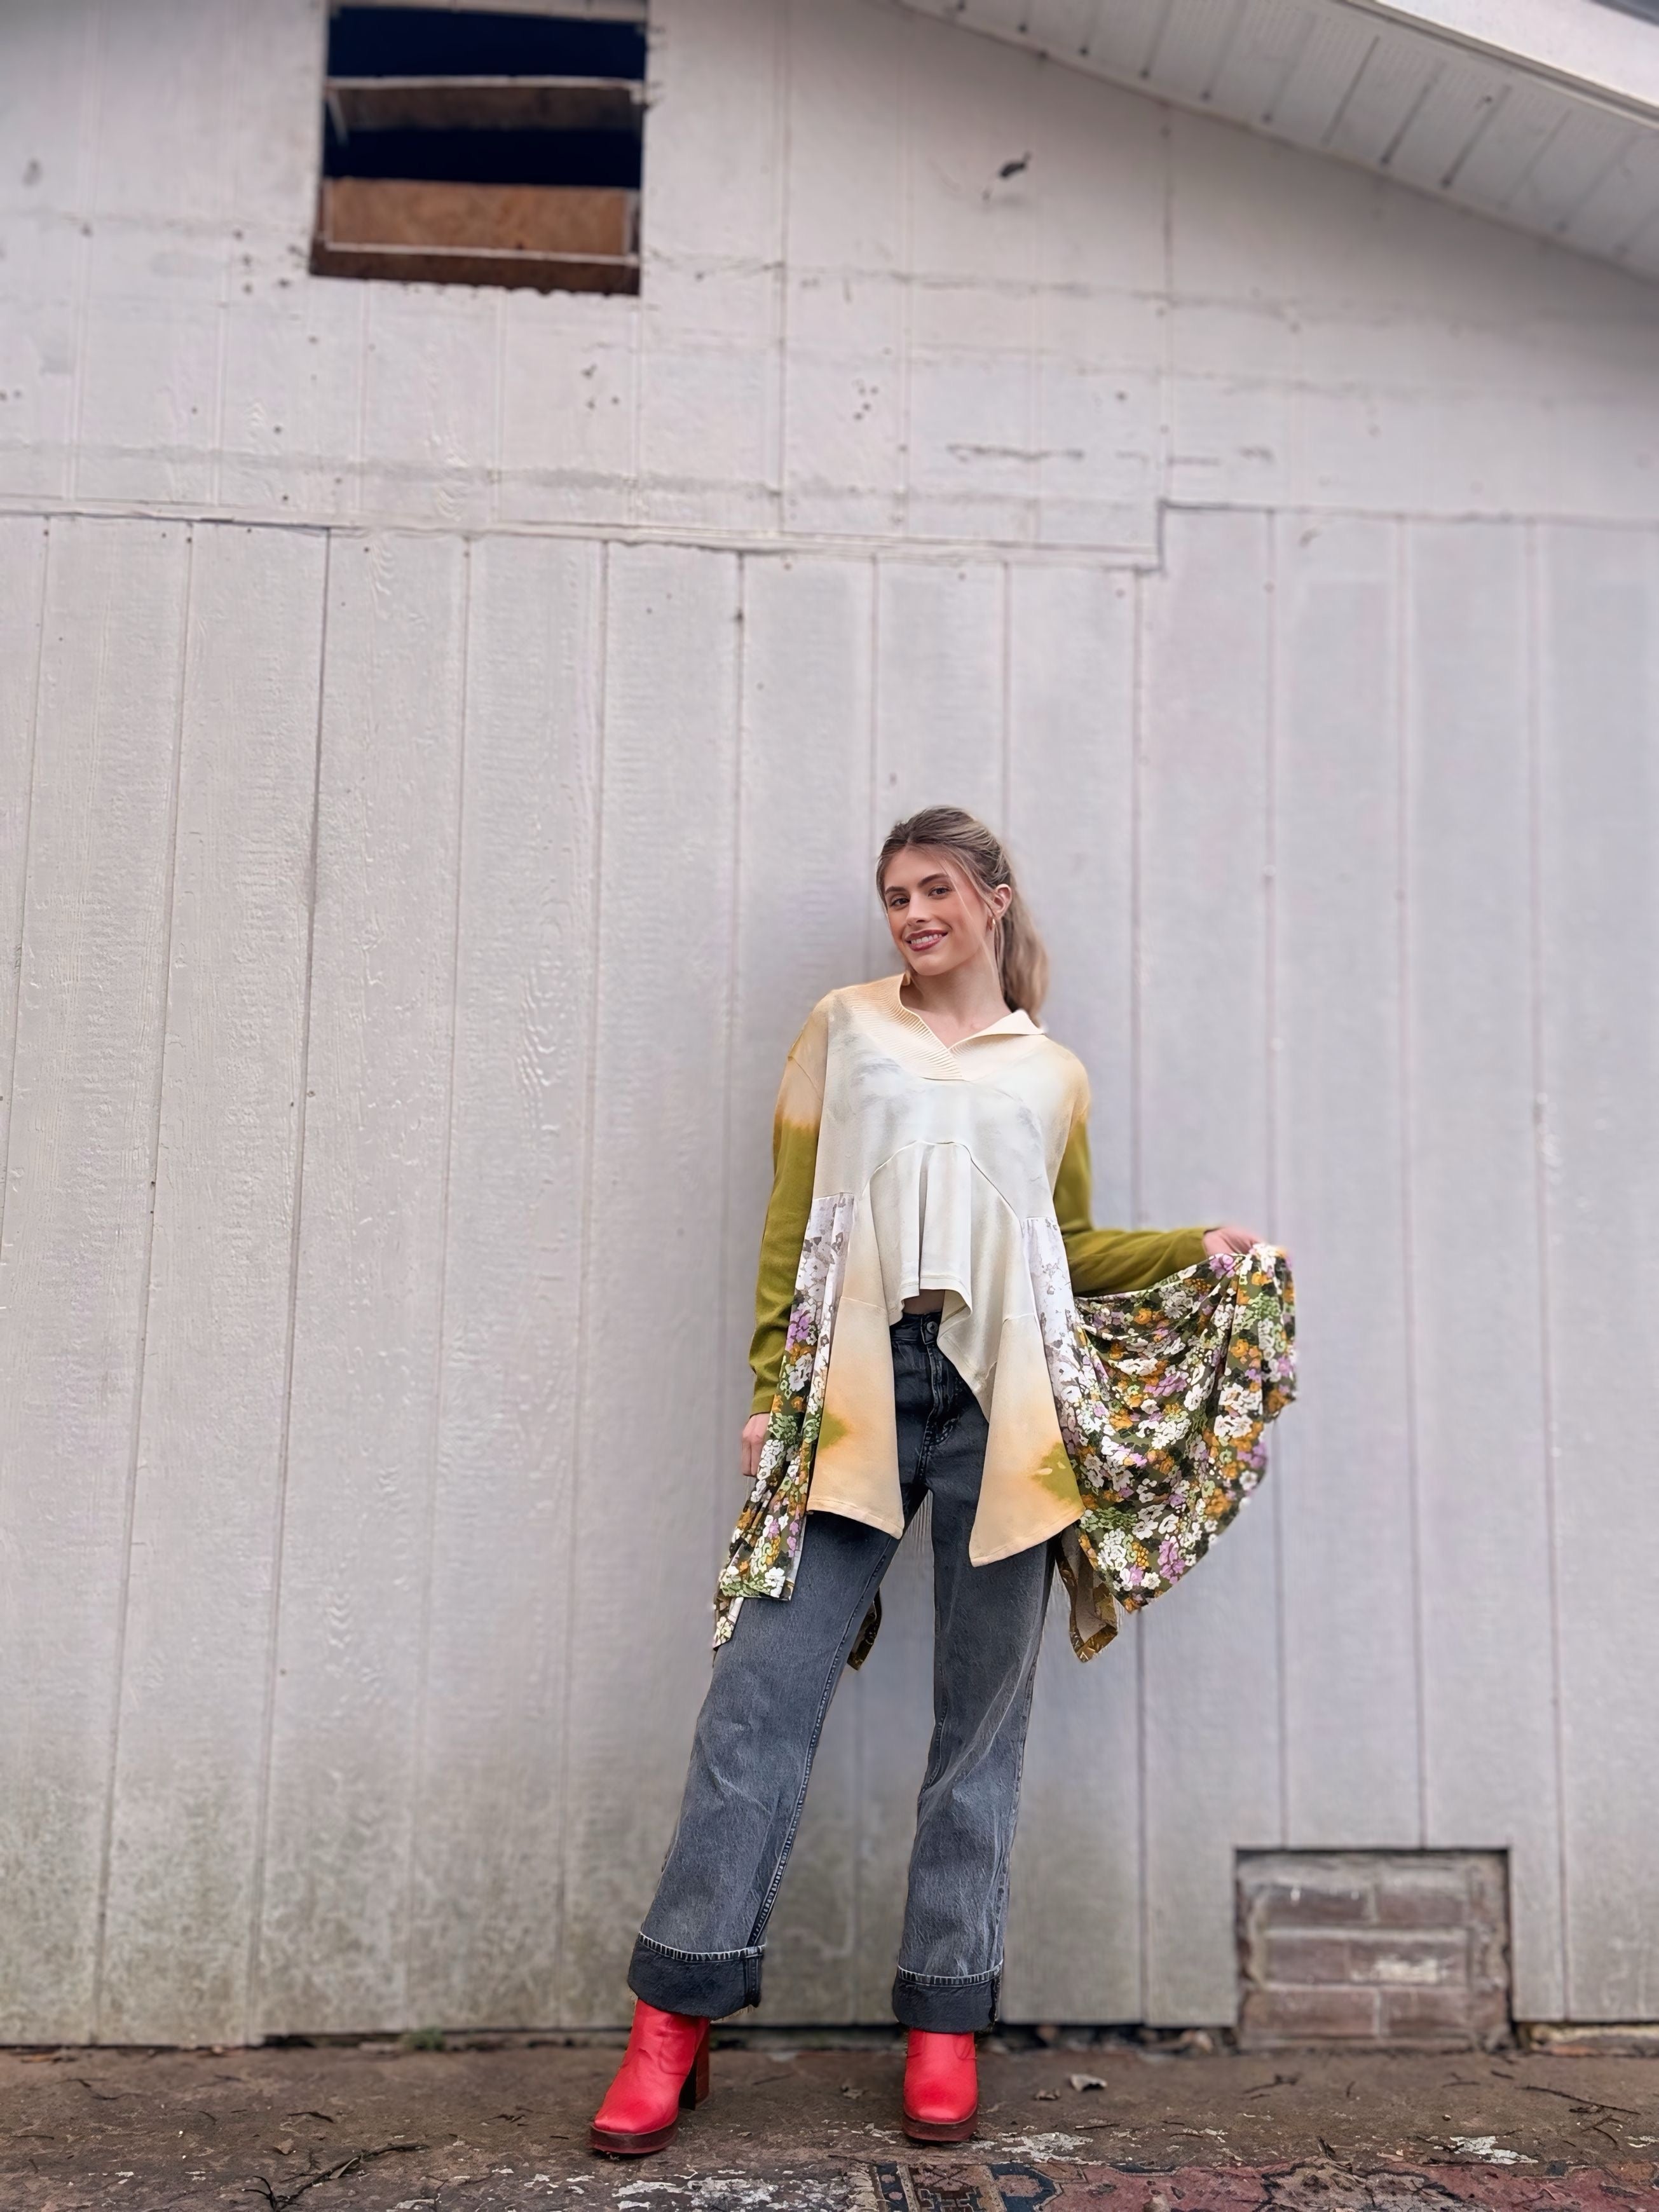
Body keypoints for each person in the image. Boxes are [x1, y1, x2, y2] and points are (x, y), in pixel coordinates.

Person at [590, 806, 1272, 2157]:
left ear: (993, 900)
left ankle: (946, 2023)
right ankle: (672, 2019)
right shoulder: (843, 1029)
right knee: (757, 1697)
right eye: (896, 894)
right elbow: (793, 1221)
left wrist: (1191, 1247)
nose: (913, 914)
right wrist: (770, 1392)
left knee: (980, 1726)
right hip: (855, 1387)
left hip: (1005, 1405)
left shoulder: (1052, 1074)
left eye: (937, 889)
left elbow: (1062, 1246)